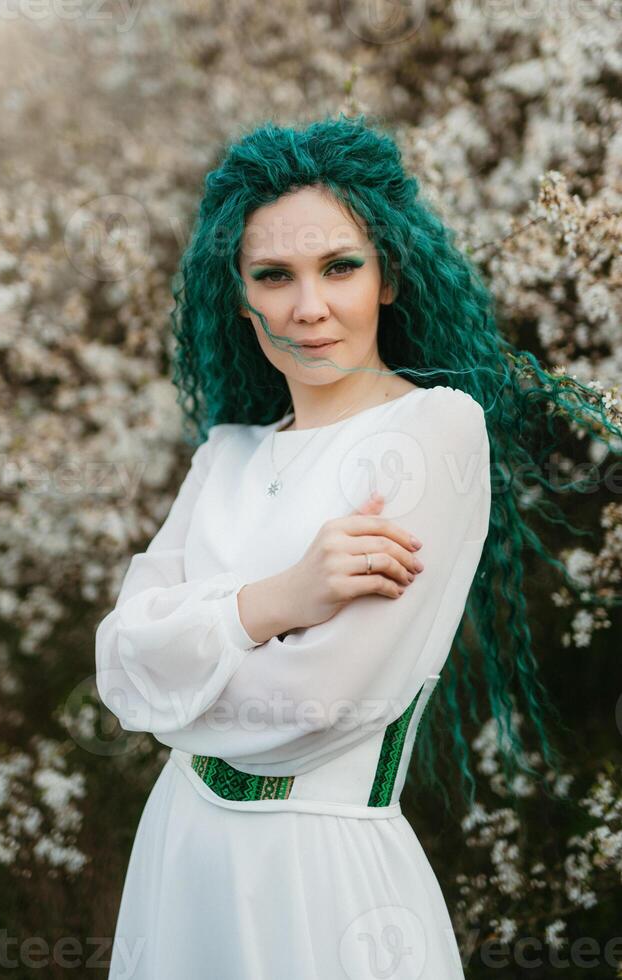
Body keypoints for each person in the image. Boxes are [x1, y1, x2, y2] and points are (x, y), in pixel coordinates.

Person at [95, 114, 619, 979]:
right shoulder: (225, 453)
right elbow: (118, 669)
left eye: (340, 266)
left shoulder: (432, 431)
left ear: (387, 276)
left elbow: (312, 713)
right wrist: (276, 603)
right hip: (179, 857)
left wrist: (180, 672)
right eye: (274, 275)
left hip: (318, 882)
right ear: (240, 295)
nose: (309, 307)